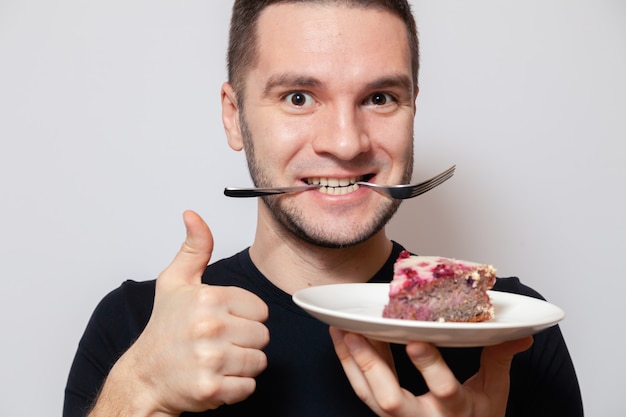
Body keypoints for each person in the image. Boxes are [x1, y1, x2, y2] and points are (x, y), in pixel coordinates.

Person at [64, 1, 583, 416]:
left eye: (379, 98)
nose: (345, 143)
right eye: (298, 97)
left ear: (413, 109)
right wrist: (138, 396)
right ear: (233, 115)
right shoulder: (139, 325)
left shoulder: (513, 332)